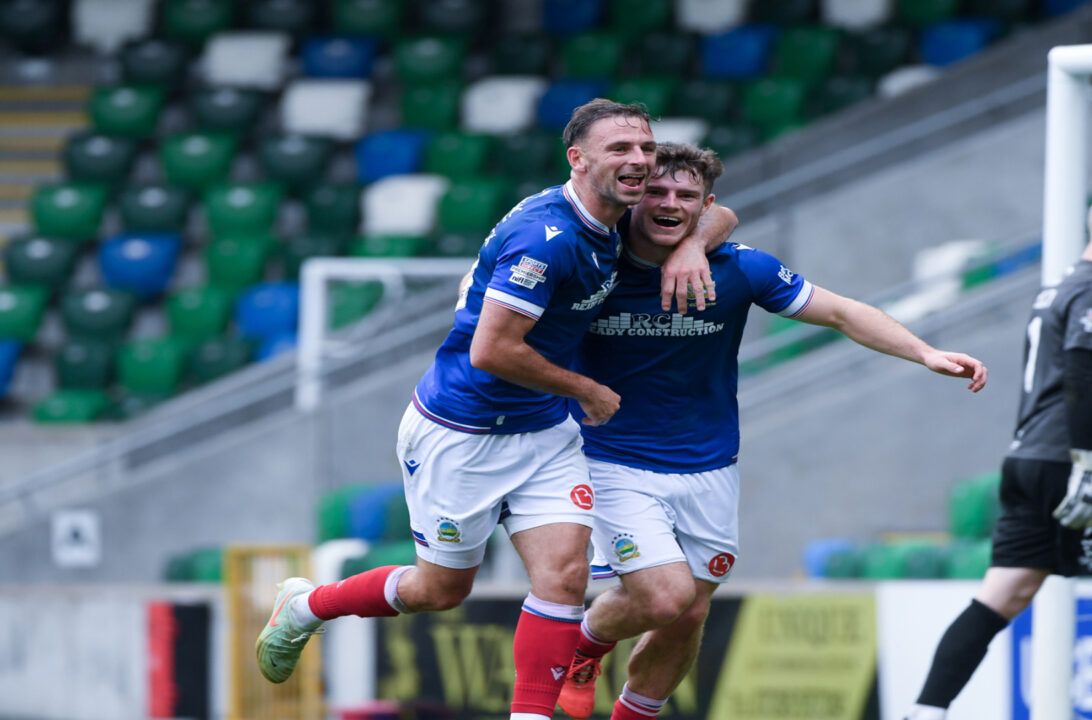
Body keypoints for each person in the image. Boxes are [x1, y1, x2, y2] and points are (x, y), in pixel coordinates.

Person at [253, 100, 734, 720]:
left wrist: (693, 244)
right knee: (440, 590)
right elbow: (492, 350)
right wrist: (585, 389)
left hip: (544, 434)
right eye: (621, 150)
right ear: (578, 160)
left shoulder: (615, 214)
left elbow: (719, 210)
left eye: (645, 147)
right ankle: (308, 606)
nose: (639, 161)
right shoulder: (544, 238)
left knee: (562, 579)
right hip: (462, 432)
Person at [554, 142, 989, 720]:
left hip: (710, 467)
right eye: (656, 190)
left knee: (687, 615)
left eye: (686, 196)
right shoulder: (591, 261)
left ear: (704, 206)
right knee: (662, 596)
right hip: (613, 461)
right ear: (633, 195)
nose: (669, 203)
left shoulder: (738, 268)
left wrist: (924, 351)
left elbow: (840, 312)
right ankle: (584, 649)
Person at [902, 187, 1092, 720]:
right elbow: (1082, 370)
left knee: (1004, 594)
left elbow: (1062, 379)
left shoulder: (1059, 288)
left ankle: (925, 713)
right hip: (1078, 465)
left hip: (1030, 459)